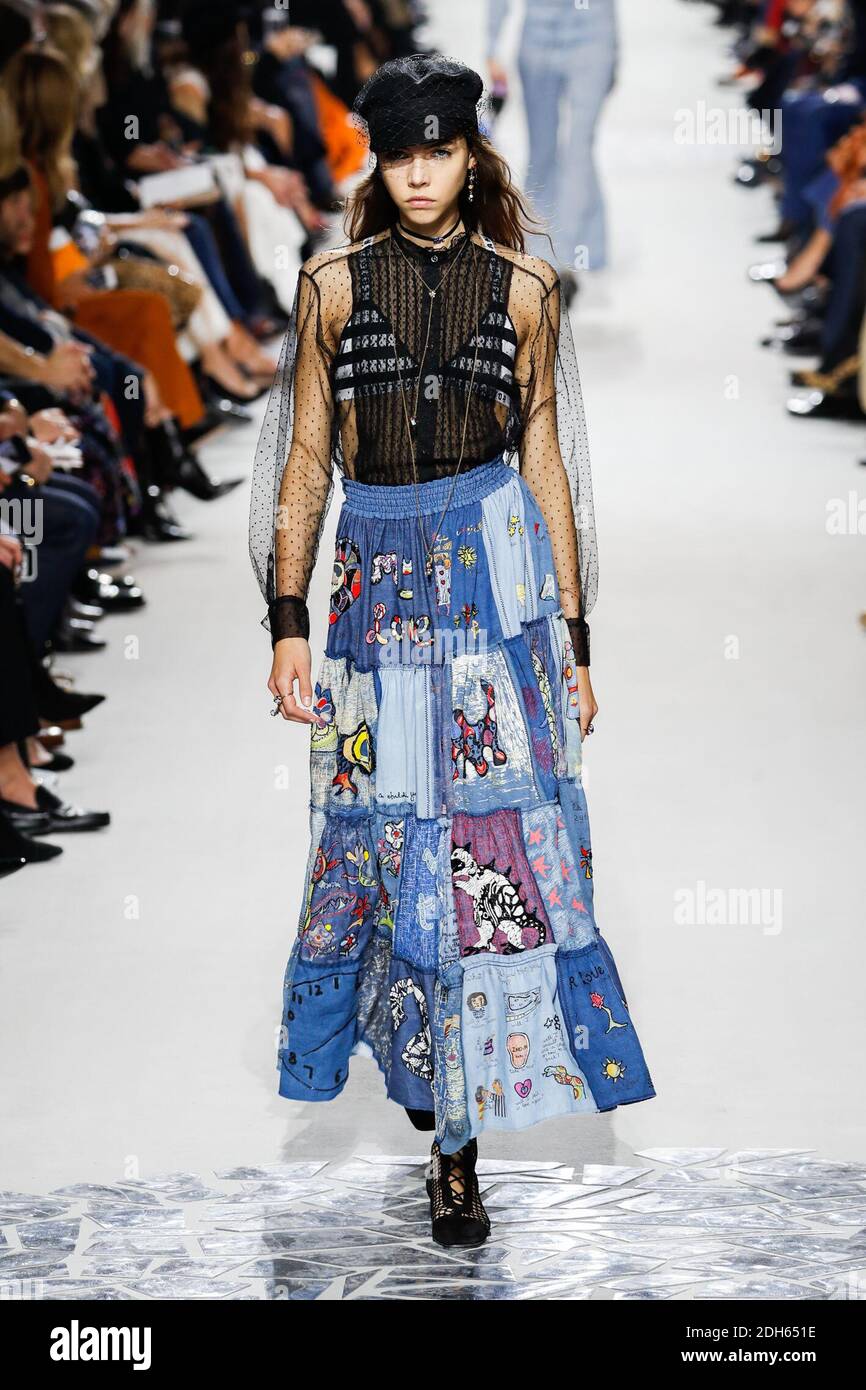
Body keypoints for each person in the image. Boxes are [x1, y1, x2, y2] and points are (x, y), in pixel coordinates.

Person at [248, 53, 656, 1251]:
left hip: (493, 591)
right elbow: (305, 462)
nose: (419, 173)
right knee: (379, 843)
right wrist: (286, 620)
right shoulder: (330, 285)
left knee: (487, 845)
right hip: (375, 597)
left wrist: (574, 638)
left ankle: (455, 1150)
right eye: (399, 153)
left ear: (472, 152)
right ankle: (423, 1077)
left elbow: (548, 470)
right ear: (377, 160)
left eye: (439, 150)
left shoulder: (527, 289)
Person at [487, 0, 619, 292]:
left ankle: (563, 257)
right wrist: (492, 45)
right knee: (543, 151)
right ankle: (571, 248)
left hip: (593, 36)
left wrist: (613, 51)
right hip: (538, 39)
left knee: (579, 149)